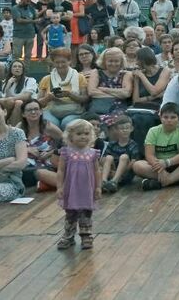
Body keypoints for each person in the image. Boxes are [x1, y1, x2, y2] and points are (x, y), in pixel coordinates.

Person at [133, 102, 179, 190]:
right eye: (165, 117)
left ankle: (165, 181)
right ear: (160, 118)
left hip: (177, 164)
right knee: (137, 165)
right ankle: (178, 179)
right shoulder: (153, 131)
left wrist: (167, 163)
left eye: (173, 117)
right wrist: (160, 169)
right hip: (157, 166)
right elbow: (149, 155)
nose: (169, 120)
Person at [55, 119, 101, 250]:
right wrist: (59, 187)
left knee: (86, 213)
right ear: (70, 136)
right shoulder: (66, 152)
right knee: (71, 213)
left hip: (87, 189)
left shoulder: (92, 154)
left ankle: (86, 236)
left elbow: (97, 170)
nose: (83, 136)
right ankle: (68, 236)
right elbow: (61, 170)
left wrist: (98, 187)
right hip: (71, 189)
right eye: (79, 133)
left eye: (86, 134)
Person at [38, 48, 90, 128]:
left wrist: (69, 95)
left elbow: (85, 99)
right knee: (51, 124)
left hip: (73, 110)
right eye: (57, 62)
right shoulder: (46, 79)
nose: (60, 65)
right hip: (51, 110)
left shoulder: (80, 77)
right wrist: (48, 98)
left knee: (67, 123)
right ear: (53, 63)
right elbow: (38, 103)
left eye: (63, 62)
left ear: (69, 61)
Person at [99, 115, 140, 192]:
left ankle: (114, 182)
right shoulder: (112, 144)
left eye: (127, 128)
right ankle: (103, 182)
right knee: (109, 157)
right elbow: (103, 159)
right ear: (116, 130)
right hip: (112, 172)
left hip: (125, 174)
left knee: (124, 157)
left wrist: (121, 172)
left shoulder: (133, 145)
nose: (125, 130)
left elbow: (133, 162)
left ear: (131, 129)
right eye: (122, 128)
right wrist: (112, 171)